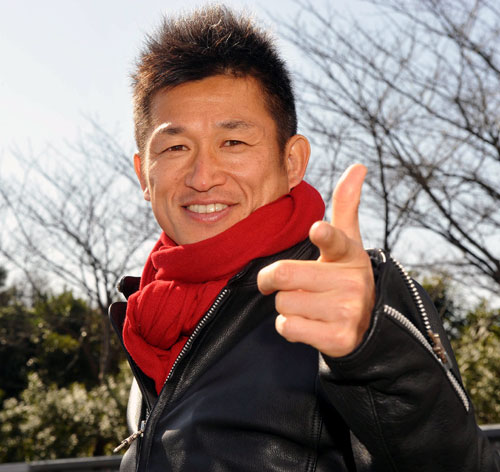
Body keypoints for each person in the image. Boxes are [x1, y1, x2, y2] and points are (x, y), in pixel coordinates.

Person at [108, 5, 499, 471]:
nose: (203, 176)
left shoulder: (349, 298)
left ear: (292, 161)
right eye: (175, 147)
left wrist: (376, 353)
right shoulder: (147, 315)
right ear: (143, 174)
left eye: (233, 142)